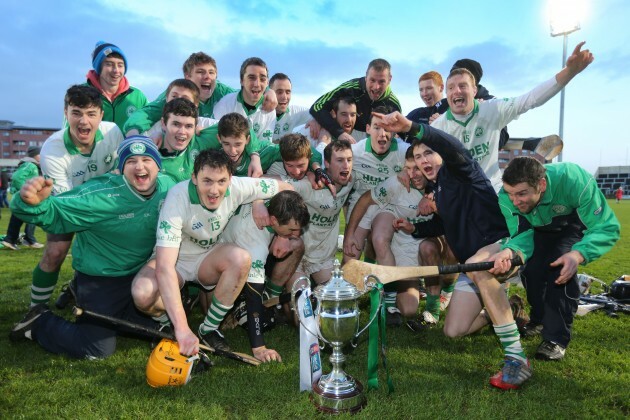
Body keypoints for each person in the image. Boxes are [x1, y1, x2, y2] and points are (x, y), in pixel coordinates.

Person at [375, 110, 531, 390]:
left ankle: (517, 358)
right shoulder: (440, 187)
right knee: (453, 331)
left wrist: (412, 127)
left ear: (441, 155)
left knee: (478, 266)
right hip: (471, 266)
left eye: (428, 153)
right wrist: (416, 229)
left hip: (498, 248)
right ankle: (507, 310)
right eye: (418, 157)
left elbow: (451, 145)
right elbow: (443, 223)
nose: (423, 160)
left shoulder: (461, 169)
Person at [9, 136, 174, 359]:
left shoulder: (168, 187)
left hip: (137, 274)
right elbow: (54, 213)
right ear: (120, 168)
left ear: (158, 165)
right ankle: (39, 321)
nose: (140, 166)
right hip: (100, 280)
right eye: (131, 161)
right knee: (96, 350)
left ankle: (121, 316)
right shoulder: (100, 195)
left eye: (147, 159)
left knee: (157, 331)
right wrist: (30, 202)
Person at [131, 149, 293, 356]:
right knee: (142, 293)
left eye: (221, 181)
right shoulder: (177, 197)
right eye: (207, 181)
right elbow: (164, 267)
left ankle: (208, 329)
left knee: (241, 258)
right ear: (194, 178)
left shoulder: (238, 186)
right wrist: (181, 329)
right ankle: (167, 325)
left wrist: (280, 230)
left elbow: (287, 187)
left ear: (230, 179)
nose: (215, 190)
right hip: (176, 261)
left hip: (207, 257)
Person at [496, 157, 620, 360]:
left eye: (521, 194)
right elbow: (520, 233)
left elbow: (606, 226)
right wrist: (509, 251)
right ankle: (539, 320)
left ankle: (556, 339)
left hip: (570, 226)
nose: (515, 201)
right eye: (511, 194)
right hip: (536, 230)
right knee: (532, 270)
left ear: (542, 184)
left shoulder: (573, 179)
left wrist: (578, 254)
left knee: (559, 267)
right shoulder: (505, 196)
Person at [431, 42, 594, 191]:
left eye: (462, 86)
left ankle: (514, 143)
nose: (456, 91)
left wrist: (569, 72)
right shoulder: (438, 125)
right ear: (446, 93)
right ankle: (520, 143)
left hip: (490, 190)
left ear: (474, 90)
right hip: (458, 195)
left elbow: (531, 99)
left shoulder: (492, 108)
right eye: (451, 87)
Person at [29, 85, 124, 307]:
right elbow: (66, 205)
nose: (84, 121)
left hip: (104, 204)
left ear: (101, 115)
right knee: (56, 251)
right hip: (71, 207)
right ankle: (35, 311)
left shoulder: (113, 133)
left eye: (91, 114)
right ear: (66, 113)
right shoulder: (52, 149)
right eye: (76, 113)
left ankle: (79, 286)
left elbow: (123, 179)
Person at [219, 190, 309, 362]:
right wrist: (259, 347)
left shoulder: (271, 197)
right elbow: (254, 296)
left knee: (296, 244)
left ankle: (270, 298)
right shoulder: (256, 244)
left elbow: (282, 184)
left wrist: (283, 234)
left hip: (240, 257)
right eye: (291, 229)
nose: (296, 233)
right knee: (249, 318)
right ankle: (220, 318)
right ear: (274, 220)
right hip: (220, 270)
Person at [344, 147, 432, 319]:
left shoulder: (440, 186)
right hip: (394, 233)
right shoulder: (397, 183)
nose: (413, 174)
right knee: (378, 239)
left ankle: (441, 295)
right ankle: (389, 303)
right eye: (409, 168)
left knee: (409, 309)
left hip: (411, 243)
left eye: (417, 169)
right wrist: (350, 234)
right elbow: (364, 200)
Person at [124, 52, 277, 136]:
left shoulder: (221, 91)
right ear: (187, 76)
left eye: (212, 73)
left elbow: (247, 94)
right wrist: (133, 132)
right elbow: (148, 112)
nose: (207, 77)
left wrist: (269, 91)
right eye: (200, 72)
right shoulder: (178, 93)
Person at [287, 140, 355, 284]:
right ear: (327, 163)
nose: (346, 165)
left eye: (349, 160)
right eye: (340, 160)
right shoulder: (310, 185)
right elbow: (277, 184)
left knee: (336, 297)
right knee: (300, 300)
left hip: (323, 257)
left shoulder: (351, 181)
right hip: (297, 254)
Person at [309, 59, 402, 142]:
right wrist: (338, 132)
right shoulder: (350, 88)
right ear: (366, 77)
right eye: (372, 80)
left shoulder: (393, 105)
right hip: (343, 135)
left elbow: (400, 135)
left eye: (381, 81)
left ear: (389, 80)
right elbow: (317, 106)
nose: (376, 87)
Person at [85, 41, 147, 131]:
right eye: (109, 64)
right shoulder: (82, 94)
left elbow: (151, 122)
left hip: (128, 145)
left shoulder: (137, 96)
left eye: (120, 65)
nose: (116, 70)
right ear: (99, 67)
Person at [212, 57, 276, 143]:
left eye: (262, 79)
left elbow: (265, 145)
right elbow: (215, 139)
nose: (257, 84)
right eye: (251, 78)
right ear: (242, 80)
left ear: (267, 82)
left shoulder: (270, 109)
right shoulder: (225, 104)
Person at [2, 147, 44, 250]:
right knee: (33, 215)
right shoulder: (30, 165)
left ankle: (10, 240)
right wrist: (26, 192)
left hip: (23, 196)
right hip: (25, 196)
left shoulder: (33, 165)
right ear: (36, 155)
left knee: (18, 217)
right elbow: (16, 177)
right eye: (41, 154)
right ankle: (28, 239)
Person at [293, 97, 363, 155]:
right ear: (333, 114)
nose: (349, 119)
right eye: (344, 114)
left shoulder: (361, 136)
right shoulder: (310, 132)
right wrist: (323, 144)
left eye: (353, 115)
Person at [269, 73, 311, 142]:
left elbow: (316, 113)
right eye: (279, 92)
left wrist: (315, 121)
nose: (285, 97)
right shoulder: (260, 112)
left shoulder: (294, 111)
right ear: (269, 92)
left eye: (288, 92)